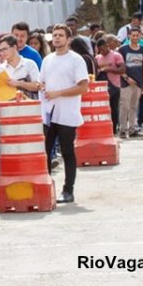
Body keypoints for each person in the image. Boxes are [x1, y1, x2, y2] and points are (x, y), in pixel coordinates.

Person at [40, 25, 89, 204]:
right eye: (55, 35)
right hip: (48, 113)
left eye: (61, 35)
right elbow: (42, 82)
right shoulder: (47, 60)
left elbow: (83, 87)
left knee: (67, 151)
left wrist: (58, 92)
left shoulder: (76, 60)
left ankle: (68, 190)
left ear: (68, 39)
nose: (57, 38)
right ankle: (46, 187)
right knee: (44, 152)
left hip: (67, 113)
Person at [117, 27, 143, 138]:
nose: (135, 37)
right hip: (126, 83)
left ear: (140, 36)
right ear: (129, 36)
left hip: (138, 83)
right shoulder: (122, 50)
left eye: (137, 35)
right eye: (133, 35)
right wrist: (126, 78)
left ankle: (132, 129)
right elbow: (118, 67)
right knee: (124, 106)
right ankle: (122, 129)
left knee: (134, 107)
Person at [96, 38, 125, 135]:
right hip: (102, 86)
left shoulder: (116, 55)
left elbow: (122, 69)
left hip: (115, 85)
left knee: (113, 108)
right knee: (103, 109)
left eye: (103, 49)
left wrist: (109, 70)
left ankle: (114, 128)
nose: (102, 52)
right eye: (100, 50)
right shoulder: (98, 58)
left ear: (107, 46)